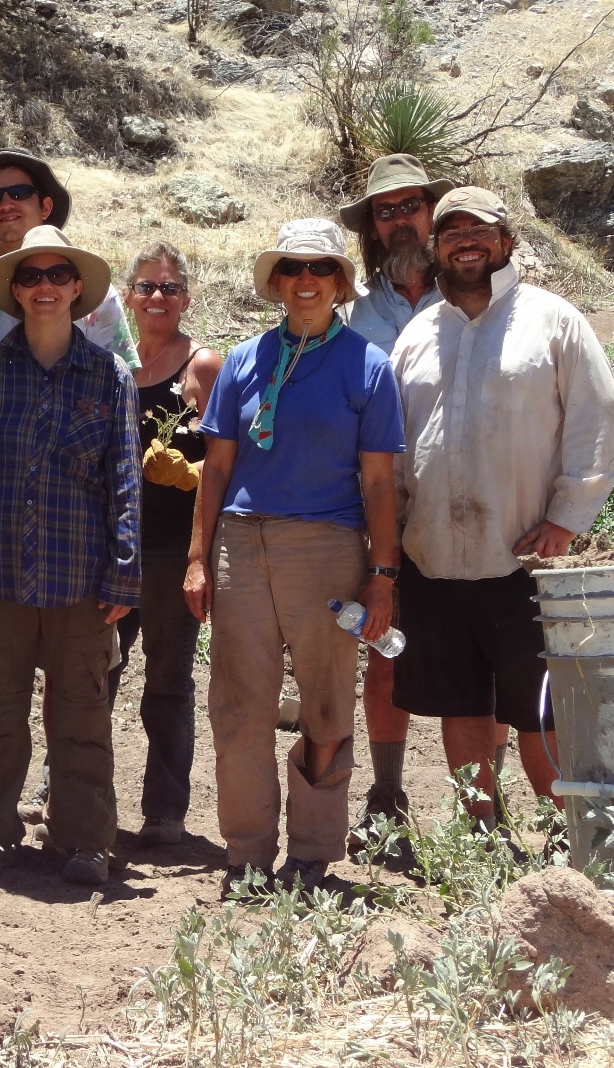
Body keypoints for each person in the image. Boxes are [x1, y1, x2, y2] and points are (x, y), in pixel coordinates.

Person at [389, 187, 614, 823]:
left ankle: (570, 839)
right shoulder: (416, 335)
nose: (466, 240)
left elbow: (597, 419)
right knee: (461, 704)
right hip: (433, 555)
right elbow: (396, 449)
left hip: (523, 557)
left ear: (507, 241)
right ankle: (481, 835)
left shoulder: (553, 321)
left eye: (480, 229)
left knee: (537, 711)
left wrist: (565, 520)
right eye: (451, 231)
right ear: (434, 248)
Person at [184, 219, 404, 897]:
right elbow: (216, 471)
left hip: (328, 552)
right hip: (241, 546)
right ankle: (247, 854)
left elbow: (377, 482)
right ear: (276, 282)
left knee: (327, 702)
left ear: (340, 283)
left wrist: (384, 577)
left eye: (321, 269)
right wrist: (197, 556)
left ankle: (310, 853)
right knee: (238, 704)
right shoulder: (243, 361)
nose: (306, 281)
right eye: (293, 268)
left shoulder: (368, 365)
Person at [0, 225, 142, 887]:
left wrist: (124, 567)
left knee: (81, 715)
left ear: (77, 288)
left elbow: (125, 481)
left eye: (58, 275)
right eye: (31, 277)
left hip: (82, 579)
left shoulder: (109, 376)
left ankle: (84, 838)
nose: (45, 287)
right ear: (14, 291)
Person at [339, 153, 480, 852]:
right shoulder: (359, 319)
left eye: (410, 206)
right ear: (372, 228)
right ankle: (386, 797)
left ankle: (479, 812)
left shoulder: (479, 297)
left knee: (475, 654)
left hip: (477, 508)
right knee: (384, 650)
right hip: (386, 512)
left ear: (433, 212)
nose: (400, 222)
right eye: (384, 211)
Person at [119, 243, 223, 847]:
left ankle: (164, 814)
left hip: (168, 552)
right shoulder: (110, 359)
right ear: (129, 296)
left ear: (186, 299)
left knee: (167, 680)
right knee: (87, 675)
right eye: (147, 286)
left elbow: (223, 464)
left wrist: (196, 558)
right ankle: (73, 794)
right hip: (109, 549)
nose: (158, 298)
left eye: (170, 288)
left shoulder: (203, 367)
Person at [0, 149, 140, 371]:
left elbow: (120, 377)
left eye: (19, 193)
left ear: (46, 207)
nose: (6, 204)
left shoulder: (90, 289)